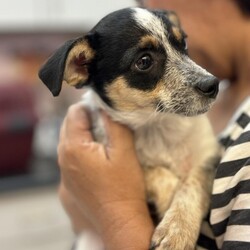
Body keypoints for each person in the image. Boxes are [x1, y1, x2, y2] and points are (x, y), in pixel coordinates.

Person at [58, 0, 250, 249]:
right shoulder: (221, 99)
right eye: (145, 61)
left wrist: (116, 213)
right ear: (80, 66)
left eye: (181, 44)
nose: (200, 77)